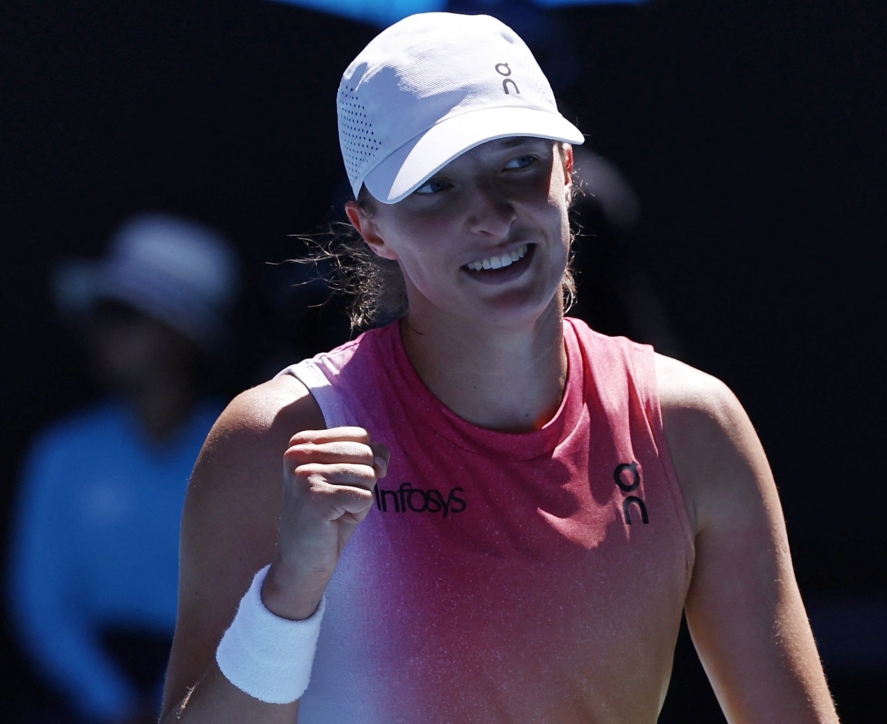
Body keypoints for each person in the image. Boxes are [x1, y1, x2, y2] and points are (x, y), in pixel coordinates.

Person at [160, 13, 839, 723]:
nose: (491, 215)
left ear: (567, 171)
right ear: (371, 229)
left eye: (517, 162)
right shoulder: (270, 440)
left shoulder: (695, 430)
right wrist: (288, 596)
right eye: (434, 187)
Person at [7, 213, 239, 724]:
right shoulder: (62, 452)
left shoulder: (240, 451)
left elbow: (241, 596)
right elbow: (42, 603)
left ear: (179, 334)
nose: (100, 330)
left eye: (121, 313)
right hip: (82, 700)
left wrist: (167, 701)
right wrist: (110, 702)